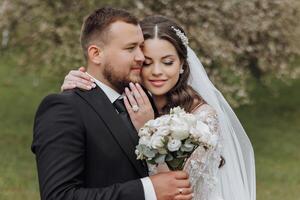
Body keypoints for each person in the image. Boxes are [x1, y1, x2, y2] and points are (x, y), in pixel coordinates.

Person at [62, 15, 256, 200]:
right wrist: (77, 89)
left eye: (168, 62)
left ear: (182, 64)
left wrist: (148, 129)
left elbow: (177, 189)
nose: (157, 72)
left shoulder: (202, 118)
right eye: (147, 63)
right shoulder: (127, 102)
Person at [32, 8, 194, 200]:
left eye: (141, 47)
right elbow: (58, 196)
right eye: (130, 48)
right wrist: (148, 190)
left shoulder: (144, 100)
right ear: (96, 54)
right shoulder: (64, 109)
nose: (141, 57)